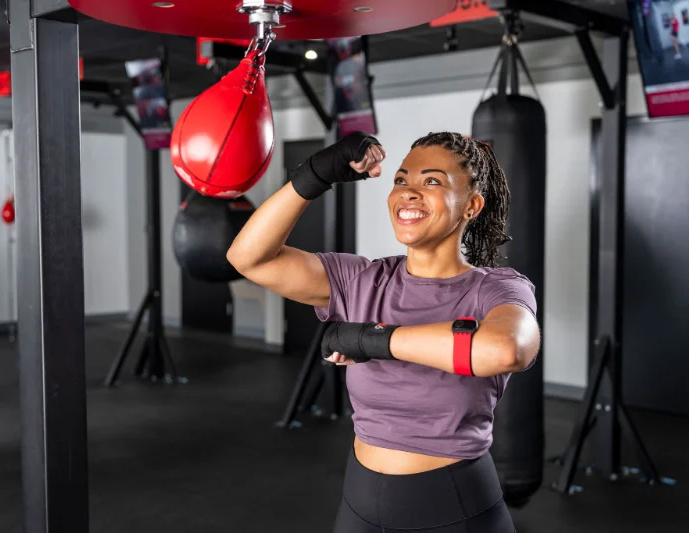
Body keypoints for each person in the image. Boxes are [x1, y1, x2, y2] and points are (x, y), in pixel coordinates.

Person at [227, 131, 541, 533]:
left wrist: (369, 339)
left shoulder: (496, 288)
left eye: (431, 181)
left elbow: (505, 350)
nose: (408, 193)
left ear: (472, 206)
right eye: (400, 180)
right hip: (360, 503)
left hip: (454, 507)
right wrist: (314, 175)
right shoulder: (363, 279)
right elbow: (247, 258)